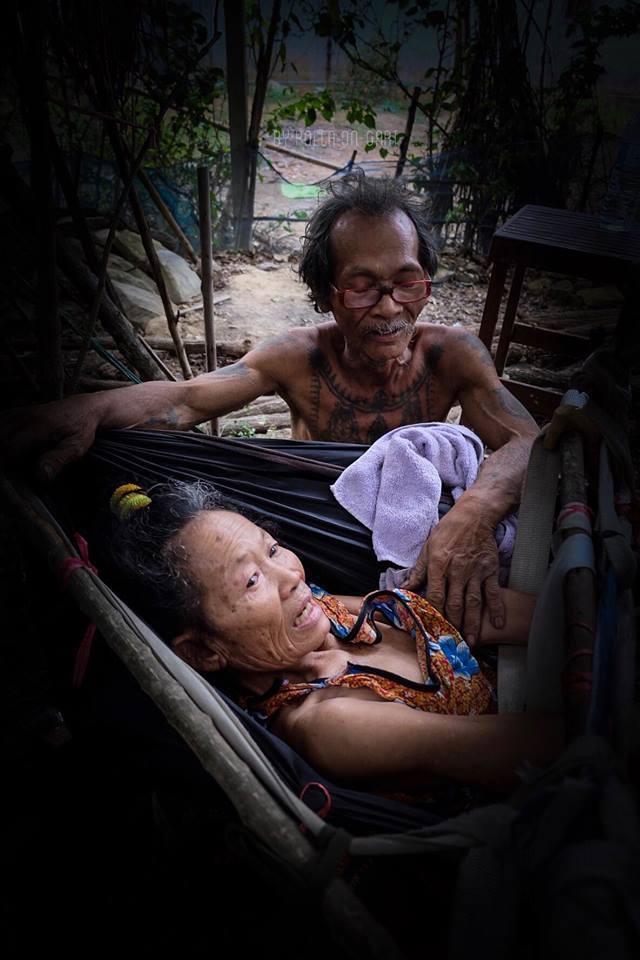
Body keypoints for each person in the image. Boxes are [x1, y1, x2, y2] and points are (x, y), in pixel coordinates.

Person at [0, 172, 538, 647]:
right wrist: (90, 408)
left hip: (414, 551)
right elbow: (188, 399)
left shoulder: (451, 355)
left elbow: (529, 441)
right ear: (326, 294)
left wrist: (471, 515)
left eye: (406, 282)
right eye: (361, 289)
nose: (389, 306)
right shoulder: (299, 358)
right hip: (312, 553)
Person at [109, 480, 561, 795]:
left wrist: (574, 617)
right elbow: (532, 749)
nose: (291, 575)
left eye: (272, 549)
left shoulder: (317, 613)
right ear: (204, 651)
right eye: (251, 581)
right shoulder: (330, 722)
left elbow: (448, 616)